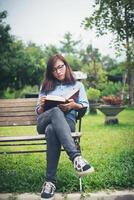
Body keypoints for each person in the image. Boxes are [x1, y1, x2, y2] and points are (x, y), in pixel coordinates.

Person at [36, 54, 94, 200]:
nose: (58, 72)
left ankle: (49, 182)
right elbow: (38, 111)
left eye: (60, 67)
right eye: (54, 70)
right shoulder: (46, 87)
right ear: (51, 72)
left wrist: (74, 105)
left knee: (51, 130)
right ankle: (76, 158)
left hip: (67, 123)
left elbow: (85, 108)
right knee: (54, 112)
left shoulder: (78, 85)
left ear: (66, 66)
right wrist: (43, 106)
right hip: (44, 121)